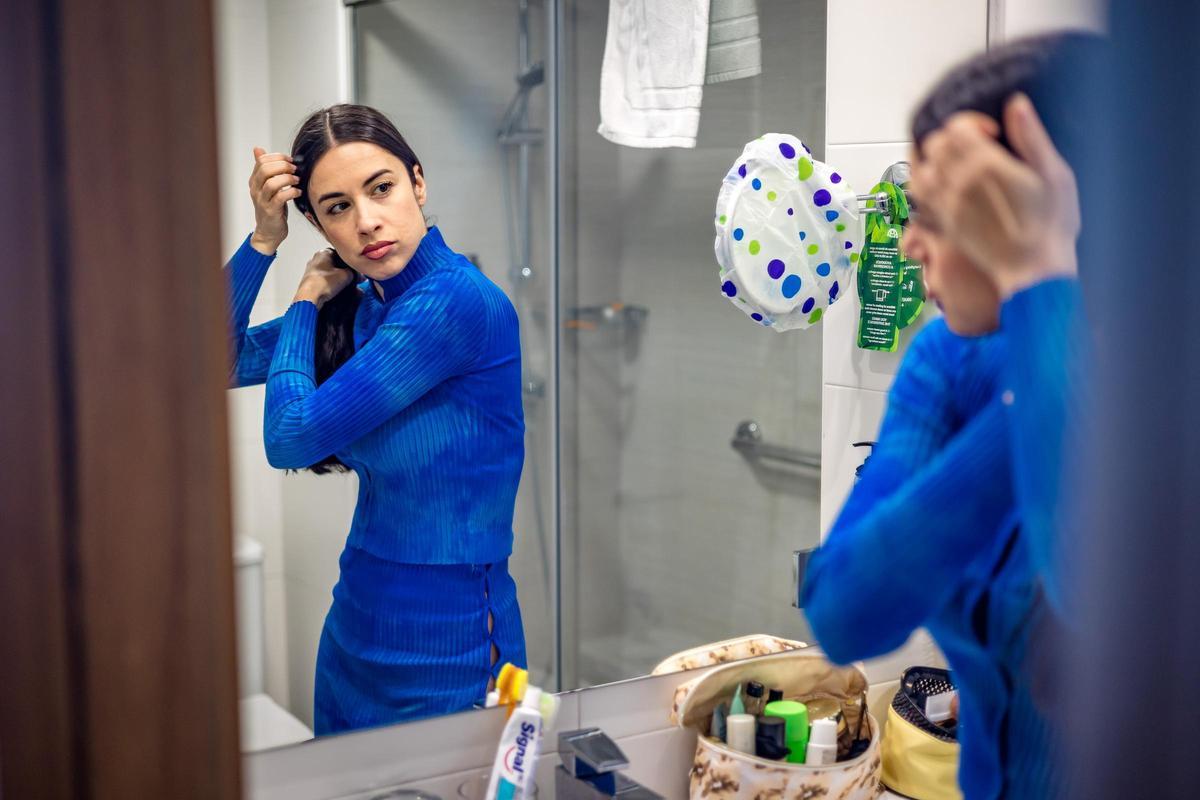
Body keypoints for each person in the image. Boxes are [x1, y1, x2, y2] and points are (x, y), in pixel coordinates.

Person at [802, 33, 1101, 799]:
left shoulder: (1162, 378)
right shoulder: (947, 359)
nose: (909, 247)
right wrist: (1022, 393)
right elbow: (843, 612)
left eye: (935, 217)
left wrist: (1039, 278)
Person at [223, 104, 528, 734]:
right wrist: (263, 241)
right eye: (337, 207)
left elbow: (290, 438)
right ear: (318, 225)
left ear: (418, 182)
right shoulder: (363, 305)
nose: (366, 222)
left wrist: (306, 300)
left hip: (454, 641)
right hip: (354, 624)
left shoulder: (455, 301)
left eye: (381, 188)